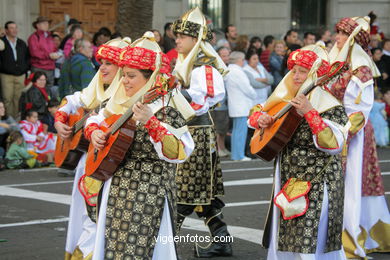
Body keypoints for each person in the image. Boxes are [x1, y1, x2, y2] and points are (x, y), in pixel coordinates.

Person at [84, 31, 194, 260]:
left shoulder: (165, 109)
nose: (124, 81)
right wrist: (94, 133)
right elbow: (95, 117)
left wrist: (151, 123)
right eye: (123, 75)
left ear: (151, 78)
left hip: (149, 192)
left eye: (131, 76)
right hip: (115, 190)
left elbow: (181, 151)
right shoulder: (118, 102)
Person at [249, 45, 349, 259]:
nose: (295, 75)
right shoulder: (285, 96)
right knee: (287, 239)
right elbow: (257, 110)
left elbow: (333, 144)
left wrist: (310, 113)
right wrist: (261, 119)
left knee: (308, 241)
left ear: (314, 74)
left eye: (302, 71)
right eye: (293, 70)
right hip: (287, 178)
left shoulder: (331, 107)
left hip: (319, 182)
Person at [55, 37, 131, 260]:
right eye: (102, 62)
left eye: (109, 63)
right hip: (88, 165)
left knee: (103, 222)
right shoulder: (95, 88)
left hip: (114, 167)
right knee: (87, 219)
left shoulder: (128, 95)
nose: (103, 67)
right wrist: (60, 121)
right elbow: (71, 101)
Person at [327, 16, 390, 258]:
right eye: (338, 33)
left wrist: (342, 134)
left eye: (343, 34)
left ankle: (353, 237)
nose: (338, 38)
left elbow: (360, 110)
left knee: (354, 182)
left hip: (352, 133)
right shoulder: (336, 62)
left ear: (354, 41)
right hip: (330, 129)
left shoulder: (361, 69)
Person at [172, 7, 232, 257]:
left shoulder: (203, 63)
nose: (177, 40)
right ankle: (221, 241)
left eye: (182, 36)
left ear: (195, 39)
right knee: (199, 191)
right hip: (187, 129)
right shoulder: (186, 61)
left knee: (185, 190)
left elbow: (205, 97)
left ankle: (159, 242)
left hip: (196, 131)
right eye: (177, 36)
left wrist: (175, 94)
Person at [226, 51, 256, 161]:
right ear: (239, 60)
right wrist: (254, 94)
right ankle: (239, 155)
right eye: (243, 60)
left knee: (236, 131)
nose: (244, 62)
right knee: (240, 132)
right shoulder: (237, 72)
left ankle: (236, 154)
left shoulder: (230, 70)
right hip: (241, 105)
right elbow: (247, 88)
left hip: (236, 105)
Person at [0, 21, 29, 118]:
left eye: (16, 28)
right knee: (7, 98)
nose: (14, 30)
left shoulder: (21, 43)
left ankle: (17, 120)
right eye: (11, 28)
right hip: (6, 75)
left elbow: (26, 57)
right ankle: (8, 119)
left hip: (20, 75)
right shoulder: (2, 42)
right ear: (6, 30)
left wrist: (25, 69)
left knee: (18, 98)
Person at [28, 16, 59, 89]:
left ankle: (47, 101)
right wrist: (48, 55)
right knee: (37, 88)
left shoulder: (50, 36)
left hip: (50, 67)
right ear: (37, 25)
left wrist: (56, 54)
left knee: (49, 89)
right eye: (44, 23)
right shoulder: (33, 37)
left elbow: (54, 49)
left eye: (47, 23)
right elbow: (34, 52)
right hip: (39, 67)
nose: (46, 25)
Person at [210, 47, 231, 157]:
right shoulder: (215, 68)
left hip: (226, 103)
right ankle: (218, 149)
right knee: (218, 129)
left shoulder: (228, 67)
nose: (226, 58)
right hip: (218, 103)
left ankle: (223, 147)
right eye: (223, 56)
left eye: (228, 55)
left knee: (223, 129)